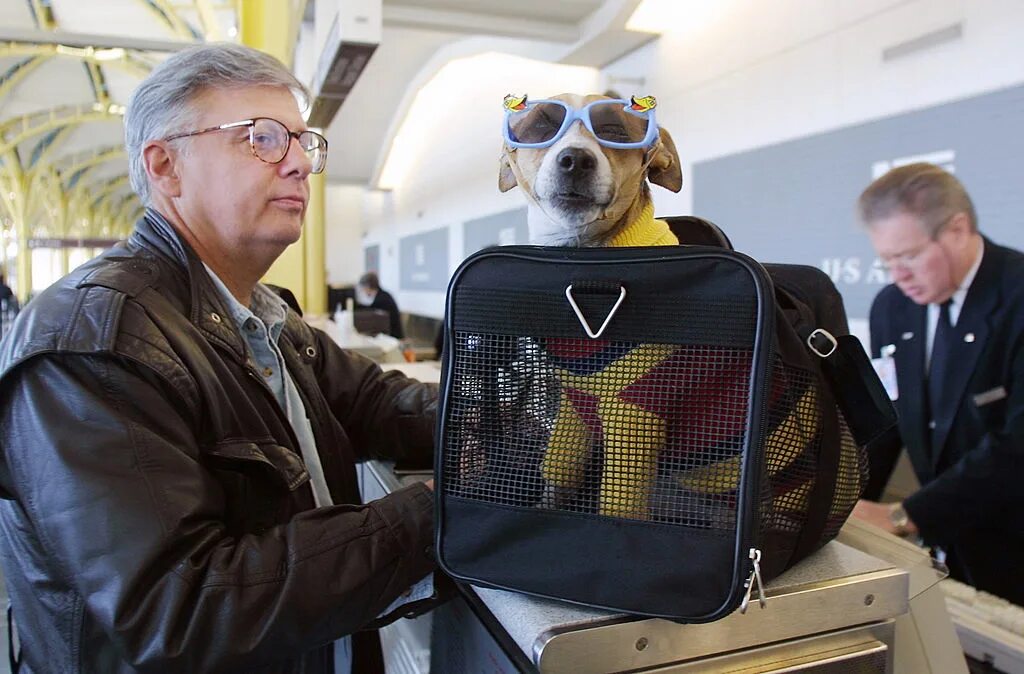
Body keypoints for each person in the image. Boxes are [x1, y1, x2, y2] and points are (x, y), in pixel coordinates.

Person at [0, 43, 439, 673]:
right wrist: (438, 511)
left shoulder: (265, 313)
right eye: (262, 139)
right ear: (166, 167)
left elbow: (376, 403)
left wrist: (516, 411)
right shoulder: (91, 341)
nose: (298, 166)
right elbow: (182, 610)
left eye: (301, 141)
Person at [852, 162, 1024, 605]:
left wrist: (904, 514)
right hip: (949, 547)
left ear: (957, 229)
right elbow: (888, 416)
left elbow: (1018, 443)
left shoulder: (1017, 297)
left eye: (908, 256)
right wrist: (846, 505)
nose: (898, 275)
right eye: (887, 261)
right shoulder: (892, 307)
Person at [355, 271, 404, 339]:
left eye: (363, 288)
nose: (363, 291)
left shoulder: (382, 299)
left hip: (393, 338)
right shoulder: (383, 295)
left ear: (368, 286)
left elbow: (371, 312)